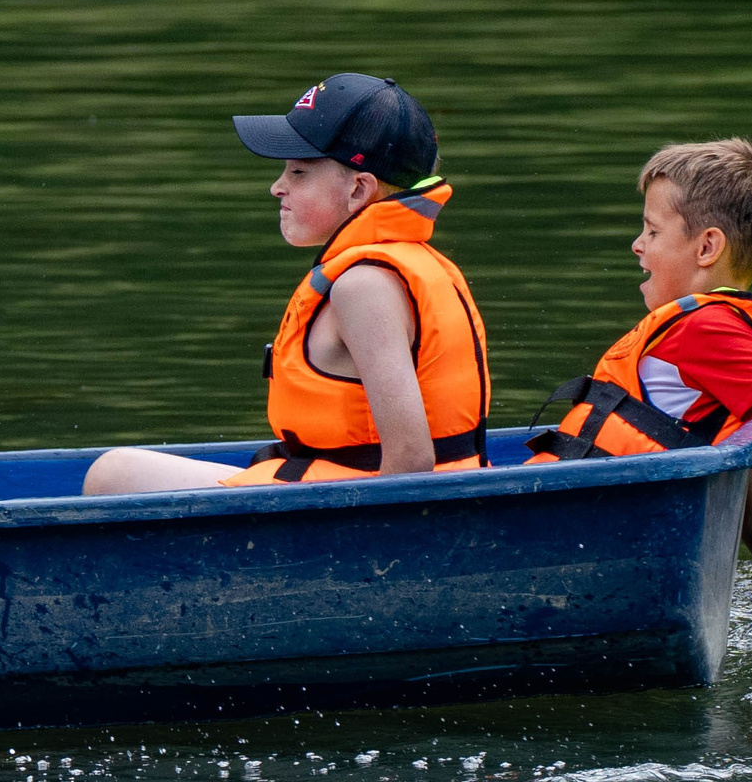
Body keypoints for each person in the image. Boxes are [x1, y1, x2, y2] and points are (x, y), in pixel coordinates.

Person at [85, 75, 490, 495]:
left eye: (298, 172)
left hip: (373, 509)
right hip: (361, 484)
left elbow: (411, 459)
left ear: (358, 190)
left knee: (112, 474)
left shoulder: (364, 285)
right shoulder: (407, 263)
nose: (277, 187)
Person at [527, 138, 752, 640]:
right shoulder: (706, 340)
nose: (637, 244)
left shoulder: (704, 330)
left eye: (652, 231)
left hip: (573, 540)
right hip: (601, 542)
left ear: (707, 247)